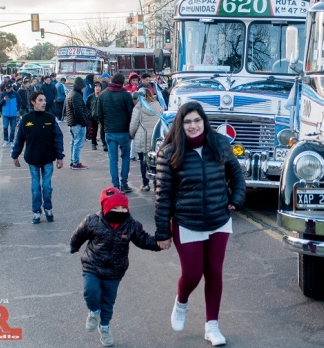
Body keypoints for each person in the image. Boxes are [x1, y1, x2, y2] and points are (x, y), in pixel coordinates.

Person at [154, 101, 246, 346]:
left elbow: (236, 174)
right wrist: (163, 231)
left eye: (197, 120)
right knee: (193, 274)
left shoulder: (220, 144)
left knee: (214, 272)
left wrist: (237, 197)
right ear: (180, 125)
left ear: (204, 121)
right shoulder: (170, 152)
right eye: (187, 122)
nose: (193, 126)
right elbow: (162, 195)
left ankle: (212, 326)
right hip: (187, 222)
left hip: (219, 220)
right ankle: (181, 302)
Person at [70, 186, 161, 347]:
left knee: (108, 301)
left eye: (123, 208)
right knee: (90, 291)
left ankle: (104, 327)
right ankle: (93, 311)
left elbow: (143, 240)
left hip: (115, 270)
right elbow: (79, 234)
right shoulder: (93, 220)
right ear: (106, 207)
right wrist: (74, 246)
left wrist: (158, 243)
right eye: (115, 207)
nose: (120, 211)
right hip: (93, 265)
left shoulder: (131, 225)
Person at [11, 91, 65, 224]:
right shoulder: (26, 119)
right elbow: (20, 139)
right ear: (33, 102)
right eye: (40, 100)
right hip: (33, 159)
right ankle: (36, 211)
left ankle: (48, 208)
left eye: (45, 100)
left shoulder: (50, 118)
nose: (44, 103)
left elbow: (58, 137)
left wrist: (60, 156)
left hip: (47, 158)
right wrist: (15, 155)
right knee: (35, 187)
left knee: (46, 186)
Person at [97, 73, 134, 192]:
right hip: (124, 131)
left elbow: (99, 114)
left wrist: (104, 126)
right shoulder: (125, 95)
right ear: (122, 82)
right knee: (125, 157)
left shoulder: (103, 95)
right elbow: (131, 114)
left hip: (109, 131)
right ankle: (124, 183)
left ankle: (115, 185)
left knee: (113, 159)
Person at [129, 88, 162, 191]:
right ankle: (157, 184)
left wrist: (132, 135)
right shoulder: (158, 105)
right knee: (156, 162)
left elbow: (134, 124)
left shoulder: (139, 106)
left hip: (143, 137)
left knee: (143, 162)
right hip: (155, 138)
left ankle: (145, 184)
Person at [65, 76, 89, 170]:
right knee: (78, 143)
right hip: (78, 123)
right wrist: (84, 122)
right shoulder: (76, 96)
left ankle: (73, 161)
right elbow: (78, 111)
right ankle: (76, 162)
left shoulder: (71, 94)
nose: (84, 88)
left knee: (74, 143)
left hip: (72, 123)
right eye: (83, 86)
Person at [0, 82, 21, 147]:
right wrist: (4, 100)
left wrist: (16, 109)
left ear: (11, 88)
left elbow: (20, 102)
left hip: (13, 114)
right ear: (5, 88)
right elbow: (0, 103)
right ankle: (6, 140)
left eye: (9, 88)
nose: (8, 90)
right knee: (5, 127)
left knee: (13, 128)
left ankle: (11, 140)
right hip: (5, 113)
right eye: (7, 88)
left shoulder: (15, 94)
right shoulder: (3, 94)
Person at [86, 82, 106, 151]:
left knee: (103, 130)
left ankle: (104, 144)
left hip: (101, 116)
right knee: (94, 130)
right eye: (96, 86)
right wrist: (89, 113)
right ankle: (93, 143)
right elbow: (87, 106)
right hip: (93, 116)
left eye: (99, 86)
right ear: (94, 88)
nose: (98, 88)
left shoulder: (103, 96)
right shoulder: (90, 97)